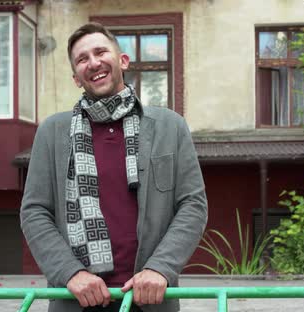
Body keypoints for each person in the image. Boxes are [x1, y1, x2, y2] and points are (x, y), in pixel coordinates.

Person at [20, 22, 208, 312]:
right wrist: (70, 273)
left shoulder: (170, 126)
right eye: (82, 59)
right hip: (77, 300)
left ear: (122, 60)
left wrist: (161, 268)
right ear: (76, 78)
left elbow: (192, 205)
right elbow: (35, 212)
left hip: (150, 298)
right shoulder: (52, 132)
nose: (93, 62)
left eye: (100, 52)